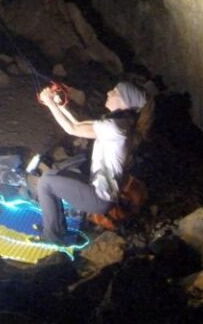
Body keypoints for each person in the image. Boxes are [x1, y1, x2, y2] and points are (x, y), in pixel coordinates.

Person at [36, 81, 149, 244]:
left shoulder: (114, 127)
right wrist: (59, 105)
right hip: (99, 190)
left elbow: (71, 129)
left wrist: (49, 103)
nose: (109, 92)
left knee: (45, 183)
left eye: (115, 92)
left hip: (99, 198)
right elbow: (78, 125)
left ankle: (52, 238)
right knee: (51, 175)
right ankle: (57, 229)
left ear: (124, 102)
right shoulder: (119, 122)